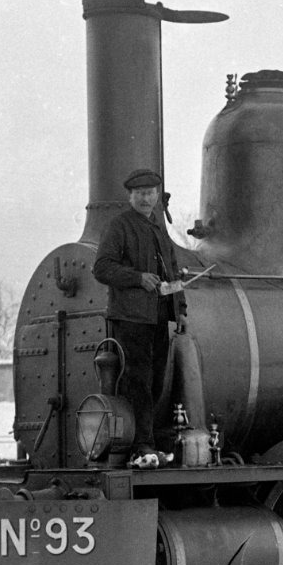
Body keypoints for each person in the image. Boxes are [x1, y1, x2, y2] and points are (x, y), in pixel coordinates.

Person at [91, 170, 186, 468]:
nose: (146, 198)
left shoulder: (158, 228)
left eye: (150, 192)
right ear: (130, 197)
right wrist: (136, 278)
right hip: (131, 318)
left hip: (158, 317)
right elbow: (102, 267)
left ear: (157, 196)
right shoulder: (120, 226)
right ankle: (140, 446)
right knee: (139, 382)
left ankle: (150, 445)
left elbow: (173, 273)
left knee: (156, 382)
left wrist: (180, 311)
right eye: (140, 193)